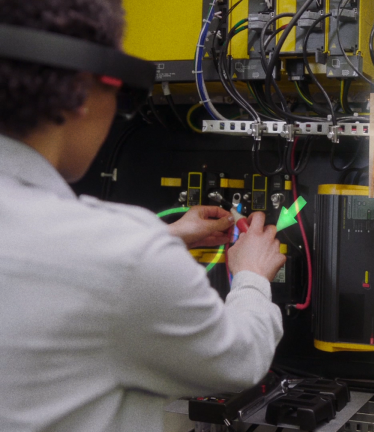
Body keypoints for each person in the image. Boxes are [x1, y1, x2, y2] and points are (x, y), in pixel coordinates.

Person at [0, 1, 285, 431]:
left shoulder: (118, 251)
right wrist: (252, 276)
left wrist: (166, 236)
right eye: (121, 92)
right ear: (81, 90)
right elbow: (239, 360)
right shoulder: (127, 256)